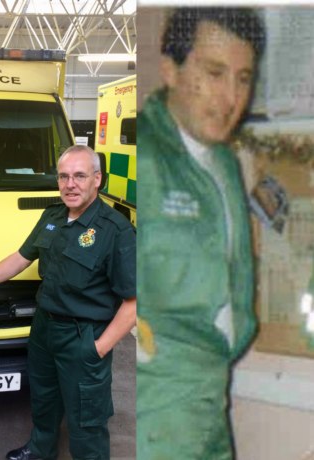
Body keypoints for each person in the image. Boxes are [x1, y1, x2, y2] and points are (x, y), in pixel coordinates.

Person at [136, 8, 266, 460]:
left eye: (243, 78)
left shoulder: (223, 162)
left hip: (211, 391)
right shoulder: (146, 156)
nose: (231, 97)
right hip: (158, 410)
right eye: (214, 73)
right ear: (171, 70)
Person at [0, 145, 136, 460]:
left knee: (87, 417)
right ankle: (41, 449)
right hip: (45, 328)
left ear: (97, 179)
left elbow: (134, 303)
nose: (70, 184)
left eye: (80, 176)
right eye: (63, 177)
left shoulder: (117, 230)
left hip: (83, 334)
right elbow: (21, 258)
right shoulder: (52, 216)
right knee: (44, 399)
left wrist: (98, 348)